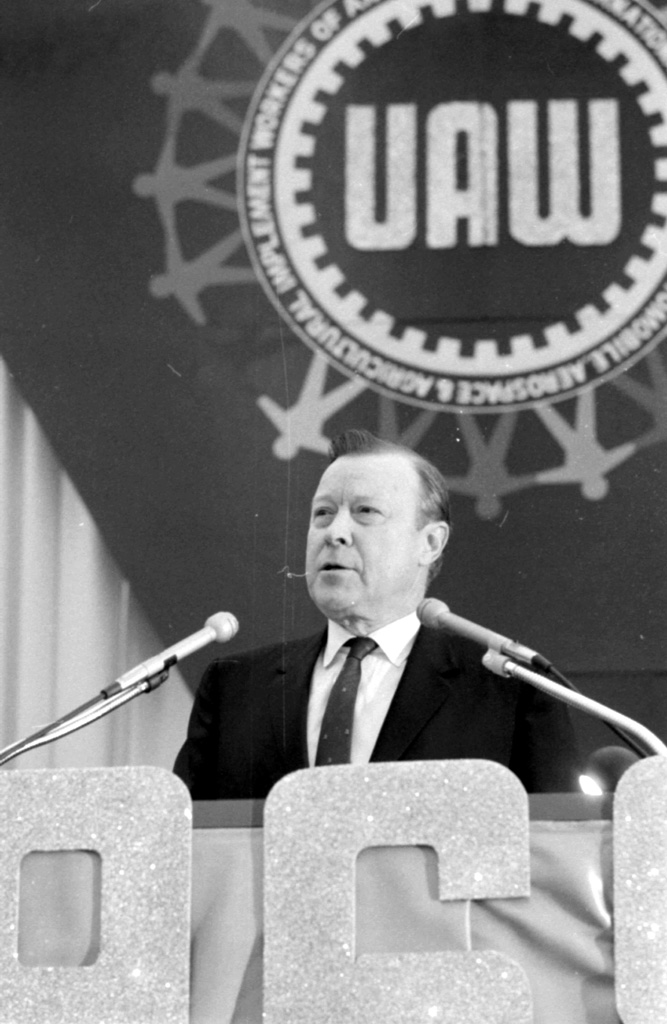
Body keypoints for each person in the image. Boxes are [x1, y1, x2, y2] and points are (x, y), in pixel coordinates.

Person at [173, 429, 581, 799]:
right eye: (323, 513)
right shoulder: (235, 688)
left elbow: (556, 846)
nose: (335, 533)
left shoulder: (509, 690)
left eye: (365, 512)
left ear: (430, 543)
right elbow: (190, 838)